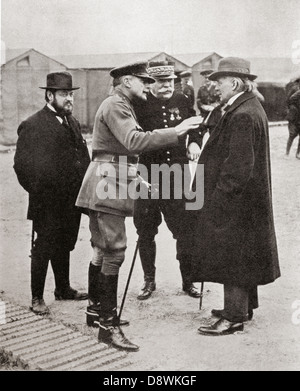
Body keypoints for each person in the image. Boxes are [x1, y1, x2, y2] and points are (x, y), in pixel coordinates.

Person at [75, 62, 202, 351]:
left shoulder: (120, 103)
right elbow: (133, 141)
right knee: (114, 251)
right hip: (107, 181)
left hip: (111, 177)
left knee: (100, 248)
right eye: (143, 82)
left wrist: (138, 179)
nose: (148, 86)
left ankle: (96, 311)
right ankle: (108, 325)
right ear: (127, 81)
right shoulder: (117, 105)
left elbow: (118, 150)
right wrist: (179, 131)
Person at [191, 57, 281, 336]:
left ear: (234, 82)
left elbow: (239, 167)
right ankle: (243, 307)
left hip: (236, 200)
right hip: (248, 200)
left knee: (234, 256)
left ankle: (233, 316)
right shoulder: (248, 107)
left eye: (219, 81)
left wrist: (220, 198)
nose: (215, 86)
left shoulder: (242, 113)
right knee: (245, 255)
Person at [14, 72, 90, 315]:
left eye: (71, 94)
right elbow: (21, 166)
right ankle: (37, 297)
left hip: (72, 200)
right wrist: (39, 192)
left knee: (65, 243)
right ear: (49, 95)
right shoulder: (33, 124)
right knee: (44, 246)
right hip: (47, 202)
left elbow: (82, 157)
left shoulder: (72, 122)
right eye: (64, 94)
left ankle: (63, 288)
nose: (70, 99)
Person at [133, 61, 202, 301]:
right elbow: (135, 137)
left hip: (177, 176)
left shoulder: (182, 99)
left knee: (185, 229)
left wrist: (195, 141)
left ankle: (188, 280)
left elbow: (195, 124)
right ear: (150, 83)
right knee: (145, 231)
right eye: (162, 82)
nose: (167, 86)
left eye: (171, 81)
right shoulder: (139, 103)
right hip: (148, 177)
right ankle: (148, 281)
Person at [285, 80, 300, 159]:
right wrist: (293, 109)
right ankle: (287, 153)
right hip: (295, 117)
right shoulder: (296, 90)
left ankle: (298, 153)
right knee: (292, 135)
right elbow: (290, 99)